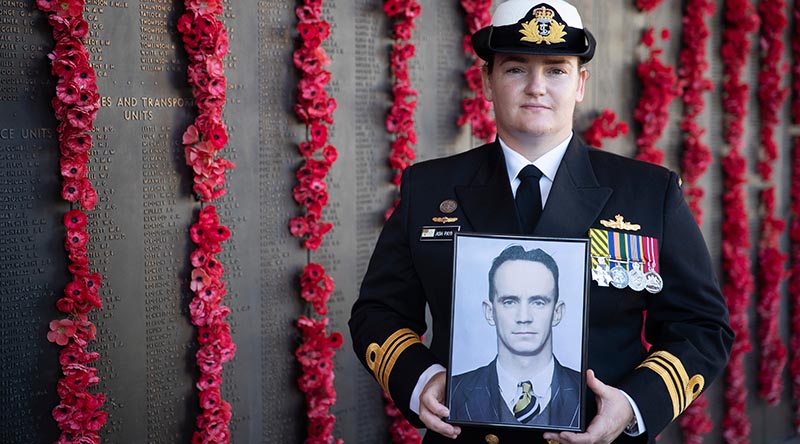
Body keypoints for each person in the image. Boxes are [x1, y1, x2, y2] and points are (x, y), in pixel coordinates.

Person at [349, 0, 733, 442]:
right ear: (487, 82)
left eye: (556, 70)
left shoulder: (648, 193)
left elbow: (702, 326)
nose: (536, 87)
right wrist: (421, 379)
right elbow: (379, 311)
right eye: (515, 69)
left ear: (581, 83)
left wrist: (632, 405)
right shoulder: (431, 189)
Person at [449, 245, 581, 429]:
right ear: (490, 312)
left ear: (557, 312)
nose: (524, 317)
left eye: (538, 302)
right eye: (510, 302)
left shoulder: (588, 394)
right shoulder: (453, 392)